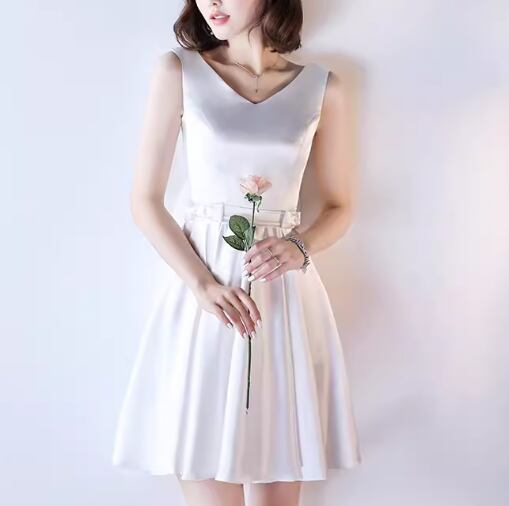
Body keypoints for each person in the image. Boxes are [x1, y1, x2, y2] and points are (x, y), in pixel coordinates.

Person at [112, 0, 362, 504]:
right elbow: (145, 201)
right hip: (207, 300)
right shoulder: (178, 72)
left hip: (282, 303)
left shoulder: (322, 87)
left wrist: (299, 246)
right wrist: (202, 284)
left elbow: (340, 206)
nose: (212, 2)